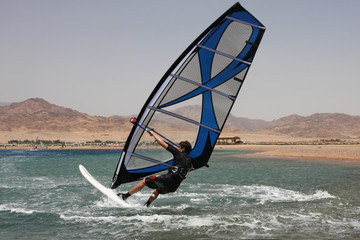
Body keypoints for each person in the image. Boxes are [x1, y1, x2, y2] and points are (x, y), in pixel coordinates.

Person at [118, 129, 193, 207]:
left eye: (179, 147)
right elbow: (191, 168)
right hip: (174, 186)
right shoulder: (189, 160)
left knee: (144, 181)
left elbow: (161, 143)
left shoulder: (178, 153)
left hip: (169, 179)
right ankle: (146, 205)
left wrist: (153, 134)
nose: (178, 148)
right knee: (157, 189)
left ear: (183, 149)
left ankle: (125, 196)